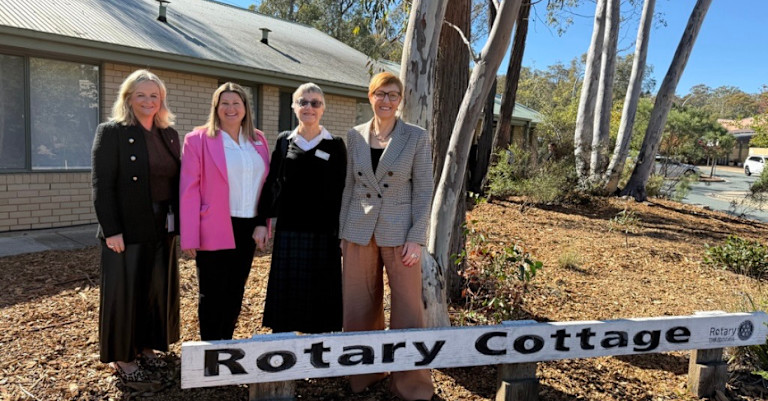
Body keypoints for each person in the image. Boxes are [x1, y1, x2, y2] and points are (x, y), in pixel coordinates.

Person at [338, 72, 435, 401]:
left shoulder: (416, 137)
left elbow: (424, 190)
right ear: (370, 96)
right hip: (358, 231)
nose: (387, 101)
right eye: (381, 94)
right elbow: (349, 187)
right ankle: (363, 373)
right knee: (359, 305)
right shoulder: (354, 136)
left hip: (400, 233)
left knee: (408, 310)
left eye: (394, 95)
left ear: (400, 100)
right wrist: (343, 233)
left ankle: (411, 385)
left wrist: (416, 236)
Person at [91, 69, 180, 384]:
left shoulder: (168, 134)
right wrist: (111, 229)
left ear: (161, 100)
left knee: (154, 289)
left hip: (162, 226)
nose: (148, 101)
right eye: (141, 94)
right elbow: (102, 185)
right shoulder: (112, 132)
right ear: (128, 97)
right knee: (125, 293)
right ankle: (123, 356)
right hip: (126, 229)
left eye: (154, 95)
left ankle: (145, 347)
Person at [179, 82, 270, 341]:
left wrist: (263, 222)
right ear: (216, 108)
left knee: (235, 290)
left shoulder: (258, 139)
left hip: (248, 226)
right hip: (214, 225)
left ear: (245, 108)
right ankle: (210, 351)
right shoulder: (197, 140)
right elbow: (189, 190)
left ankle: (225, 346)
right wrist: (190, 235)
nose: (231, 108)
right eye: (225, 103)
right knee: (212, 292)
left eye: (236, 103)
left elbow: (266, 185)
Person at [254, 83, 346, 334]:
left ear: (323, 108)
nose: (309, 107)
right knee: (288, 292)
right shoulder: (285, 141)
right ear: (294, 106)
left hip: (324, 233)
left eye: (315, 103)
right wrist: (261, 221)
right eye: (303, 102)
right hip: (289, 230)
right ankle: (284, 350)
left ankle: (317, 350)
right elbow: (272, 182)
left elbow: (342, 192)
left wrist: (343, 233)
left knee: (320, 295)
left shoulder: (335, 145)